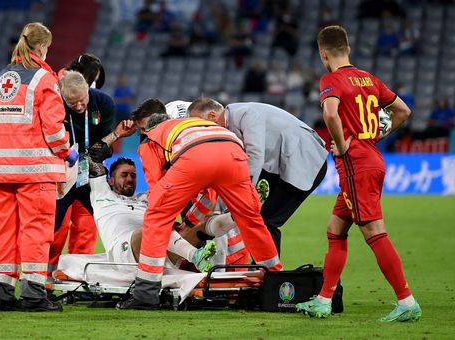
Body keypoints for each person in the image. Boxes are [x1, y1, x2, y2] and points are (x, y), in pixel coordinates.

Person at [295, 25, 421, 322]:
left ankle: (406, 301)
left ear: (323, 54)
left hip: (355, 166)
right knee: (335, 228)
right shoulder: (369, 78)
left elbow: (329, 113)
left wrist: (340, 145)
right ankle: (324, 299)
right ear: (348, 49)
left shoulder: (331, 80)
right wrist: (374, 137)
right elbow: (403, 111)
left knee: (374, 232)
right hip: (372, 158)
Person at [117, 114, 282, 310]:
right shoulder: (188, 125)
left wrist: (176, 224)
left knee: (156, 216)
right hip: (233, 150)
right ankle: (277, 280)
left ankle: (146, 294)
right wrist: (191, 221)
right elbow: (209, 197)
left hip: (195, 156)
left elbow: (155, 191)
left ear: (147, 131)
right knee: (250, 219)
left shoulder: (150, 140)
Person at [0, 22, 78, 312]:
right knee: (36, 230)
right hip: (34, 169)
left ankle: (1, 292)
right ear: (42, 47)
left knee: (4, 230)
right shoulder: (44, 79)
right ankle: (34, 294)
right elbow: (52, 127)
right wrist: (67, 152)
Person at [188, 99, 328, 257]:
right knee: (256, 218)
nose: (199, 130)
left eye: (199, 125)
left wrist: (241, 194)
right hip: (282, 164)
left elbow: (255, 157)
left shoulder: (246, 115)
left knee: (268, 221)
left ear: (213, 116)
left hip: (306, 161)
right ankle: (264, 270)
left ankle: (269, 275)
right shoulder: (233, 123)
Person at [88, 157, 216, 271]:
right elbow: (93, 158)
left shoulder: (145, 198)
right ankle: (194, 255)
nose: (130, 179)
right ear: (110, 180)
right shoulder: (101, 195)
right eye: (124, 175)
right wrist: (116, 135)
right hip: (124, 253)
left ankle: (231, 219)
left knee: (205, 222)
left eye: (133, 175)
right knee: (157, 223)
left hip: (160, 253)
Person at [48, 70, 117, 275]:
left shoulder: (104, 102)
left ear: (88, 89)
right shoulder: (53, 103)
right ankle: (39, 278)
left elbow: (107, 145)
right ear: (62, 96)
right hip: (62, 174)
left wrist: (97, 150)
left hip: (91, 173)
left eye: (82, 100)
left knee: (104, 220)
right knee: (52, 226)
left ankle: (109, 269)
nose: (78, 106)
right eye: (72, 103)